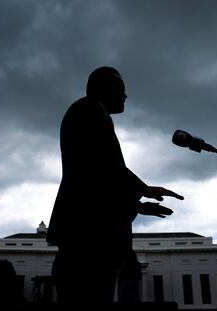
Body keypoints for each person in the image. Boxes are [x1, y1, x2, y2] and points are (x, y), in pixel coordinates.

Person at [46, 66, 183, 307]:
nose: (125, 94)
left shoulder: (92, 113)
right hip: (87, 235)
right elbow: (103, 168)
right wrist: (143, 190)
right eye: (120, 87)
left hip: (88, 233)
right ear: (101, 86)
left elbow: (99, 180)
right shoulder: (88, 110)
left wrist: (137, 204)